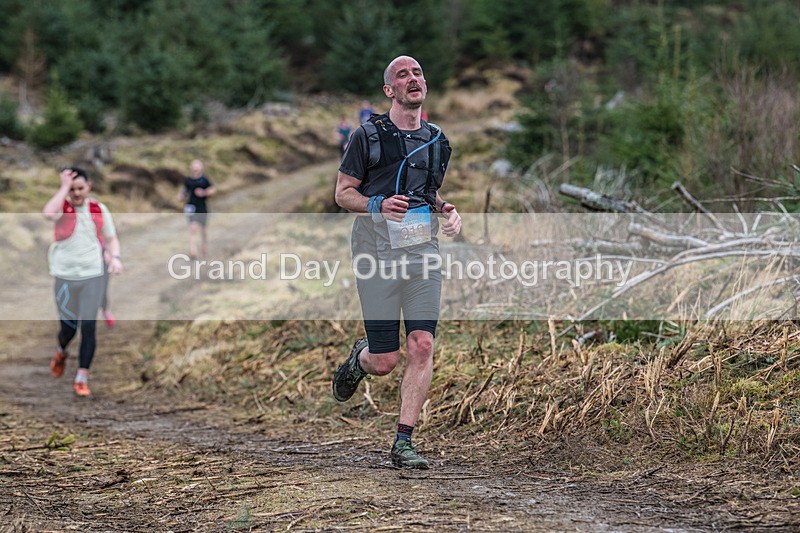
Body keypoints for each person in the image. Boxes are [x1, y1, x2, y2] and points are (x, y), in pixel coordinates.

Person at [332, 55, 461, 469]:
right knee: (385, 361)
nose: (413, 79)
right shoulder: (367, 136)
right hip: (375, 255)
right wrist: (377, 204)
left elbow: (427, 193)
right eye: (402, 75)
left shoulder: (438, 141)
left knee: (422, 345)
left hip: (423, 253)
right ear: (389, 91)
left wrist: (446, 210)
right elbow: (342, 193)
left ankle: (403, 443)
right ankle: (360, 358)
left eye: (418, 72)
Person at [43, 167, 123, 397]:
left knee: (88, 327)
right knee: (68, 329)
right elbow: (48, 213)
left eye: (81, 188)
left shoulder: (99, 209)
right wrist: (63, 187)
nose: (77, 193)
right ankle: (61, 351)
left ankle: (82, 377)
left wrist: (115, 258)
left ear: (88, 186)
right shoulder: (63, 208)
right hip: (65, 276)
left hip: (93, 275)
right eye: (72, 189)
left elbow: (111, 238)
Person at [178, 159, 216, 259]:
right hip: (191, 207)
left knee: (203, 230)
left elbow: (212, 189)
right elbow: (184, 192)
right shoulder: (188, 180)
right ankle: (193, 250)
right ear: (191, 168)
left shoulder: (204, 179)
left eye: (197, 166)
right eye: (193, 166)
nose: (195, 169)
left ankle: (204, 247)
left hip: (202, 207)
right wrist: (181, 197)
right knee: (192, 228)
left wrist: (204, 192)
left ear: (201, 168)